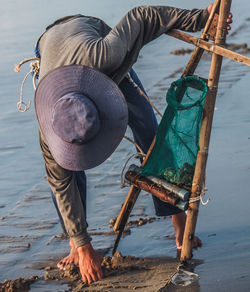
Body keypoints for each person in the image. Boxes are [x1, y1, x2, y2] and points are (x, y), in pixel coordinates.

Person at [34, 4, 232, 284]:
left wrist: (202, 20)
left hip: (88, 42)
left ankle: (177, 219)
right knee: (66, 165)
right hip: (50, 48)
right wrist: (83, 244)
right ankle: (75, 245)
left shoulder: (105, 56)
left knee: (148, 129)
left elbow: (143, 16)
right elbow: (60, 183)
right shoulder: (50, 124)